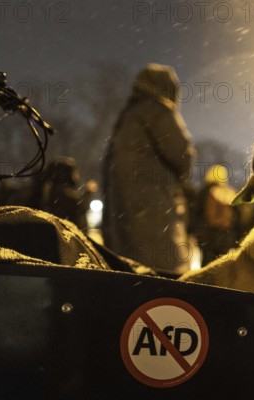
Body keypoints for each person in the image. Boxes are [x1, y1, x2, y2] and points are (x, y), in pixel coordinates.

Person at [102, 63, 196, 276]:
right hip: (154, 213)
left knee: (131, 276)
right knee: (164, 281)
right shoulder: (157, 111)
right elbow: (183, 156)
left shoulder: (126, 117)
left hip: (123, 215)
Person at [194, 164, 240, 266]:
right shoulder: (230, 193)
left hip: (207, 236)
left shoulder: (204, 192)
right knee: (221, 265)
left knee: (206, 264)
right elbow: (237, 218)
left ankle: (205, 281)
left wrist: (194, 232)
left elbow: (196, 213)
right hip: (225, 236)